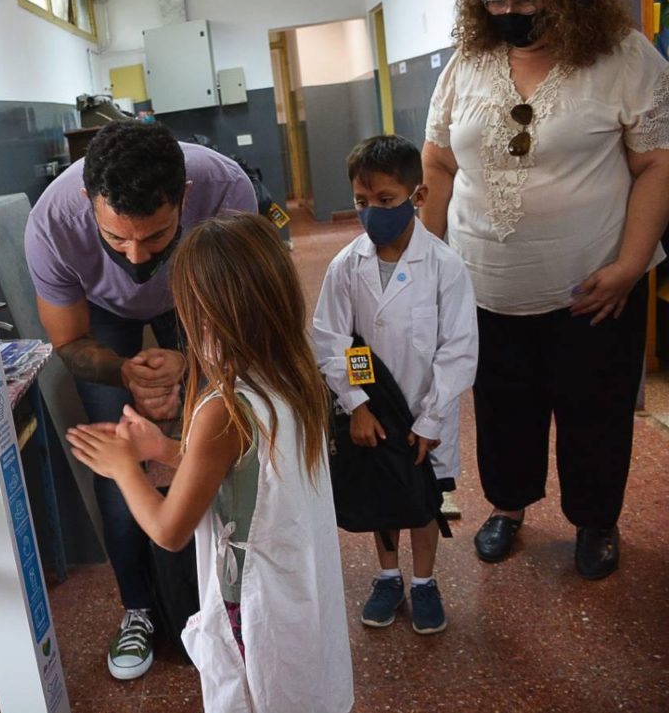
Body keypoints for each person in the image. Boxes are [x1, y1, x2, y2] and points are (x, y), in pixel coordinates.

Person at [421, 0, 669, 579]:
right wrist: (426, 261)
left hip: (595, 290)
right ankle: (507, 507)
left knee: (595, 413)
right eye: (497, 3)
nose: (510, 14)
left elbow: (656, 165)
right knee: (501, 409)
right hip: (483, 288)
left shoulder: (623, 57)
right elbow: (438, 163)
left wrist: (630, 265)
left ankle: (595, 520)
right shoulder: (467, 63)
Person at [66, 213, 353, 712]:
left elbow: (169, 530)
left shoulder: (223, 408)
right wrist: (163, 449)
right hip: (297, 588)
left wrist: (123, 468)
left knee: (257, 693)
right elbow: (242, 469)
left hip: (252, 601)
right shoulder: (292, 375)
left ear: (208, 318)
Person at [25, 121, 257, 679]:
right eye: (115, 238)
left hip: (200, 298)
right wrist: (125, 372)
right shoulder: (52, 224)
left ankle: (230, 599)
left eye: (155, 237)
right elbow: (69, 342)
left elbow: (247, 319)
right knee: (118, 462)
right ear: (89, 200)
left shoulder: (226, 189)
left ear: (185, 198)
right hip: (103, 317)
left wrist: (192, 363)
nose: (134, 258)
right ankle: (138, 609)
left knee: (214, 442)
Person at [314, 135, 478, 634]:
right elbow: (336, 340)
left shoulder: (444, 266)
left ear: (417, 196)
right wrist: (357, 404)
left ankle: (424, 582)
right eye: (361, 201)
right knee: (382, 491)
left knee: (423, 497)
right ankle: (388, 576)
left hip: (427, 410)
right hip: (373, 410)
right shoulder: (346, 267)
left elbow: (458, 349)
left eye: (385, 200)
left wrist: (431, 418)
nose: (372, 212)